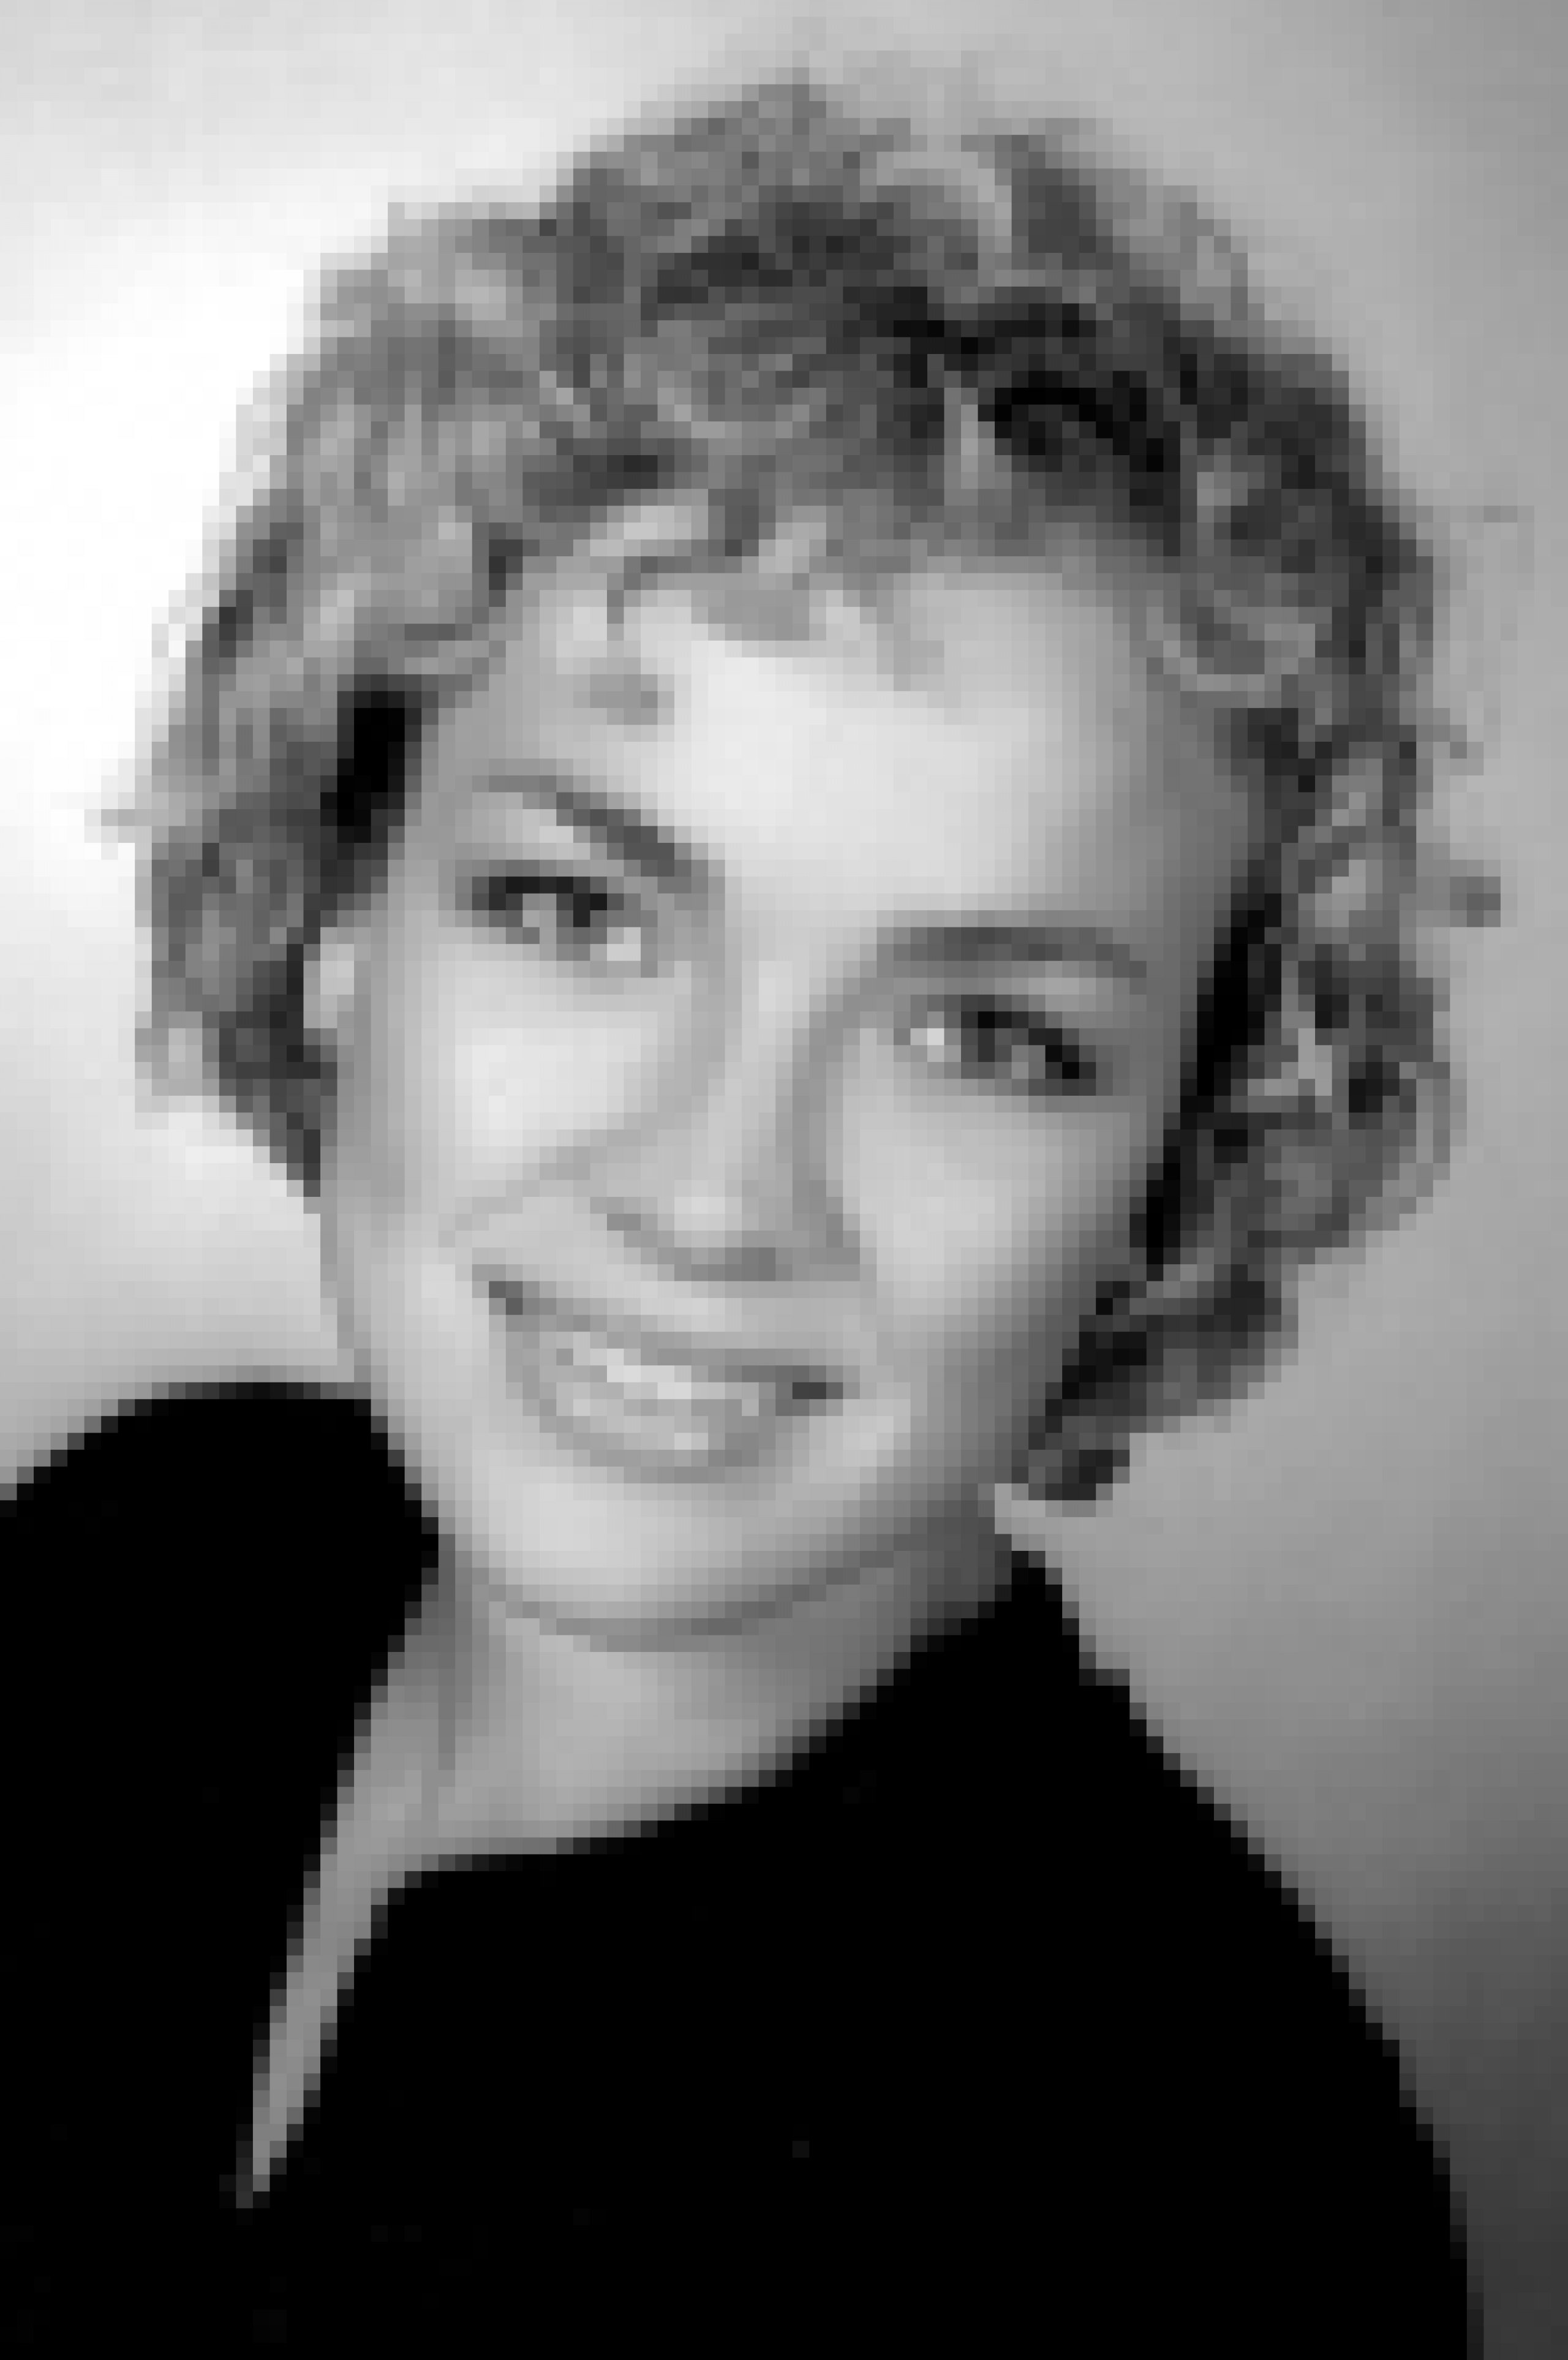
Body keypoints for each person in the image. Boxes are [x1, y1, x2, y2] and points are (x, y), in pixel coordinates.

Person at [3, 58, 1498, 2347]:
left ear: (1175, 1165)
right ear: (341, 913)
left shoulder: (1208, 2213)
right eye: (580, 912)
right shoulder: (145, 1565)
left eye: (983, 1035)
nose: (715, 1197)